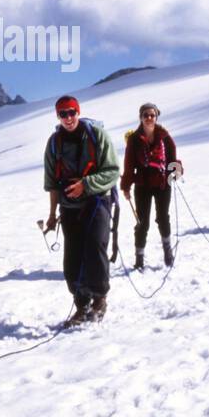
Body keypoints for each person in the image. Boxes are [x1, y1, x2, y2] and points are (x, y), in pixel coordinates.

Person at [44, 96, 120, 324]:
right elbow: (51, 182)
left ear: (78, 112)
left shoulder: (98, 136)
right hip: (69, 207)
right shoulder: (54, 142)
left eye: (71, 112)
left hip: (97, 201)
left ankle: (99, 298)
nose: (68, 118)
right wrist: (51, 214)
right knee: (73, 257)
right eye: (63, 114)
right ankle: (81, 304)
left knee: (95, 248)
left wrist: (85, 185)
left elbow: (112, 171)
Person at [120, 102, 182, 270]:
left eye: (152, 115)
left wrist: (174, 173)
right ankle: (139, 258)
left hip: (162, 183)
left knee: (163, 218)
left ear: (156, 117)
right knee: (142, 222)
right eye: (145, 115)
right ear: (140, 117)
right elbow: (129, 164)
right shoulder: (134, 139)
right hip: (143, 185)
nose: (149, 118)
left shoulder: (164, 136)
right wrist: (126, 187)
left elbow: (172, 158)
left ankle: (167, 251)